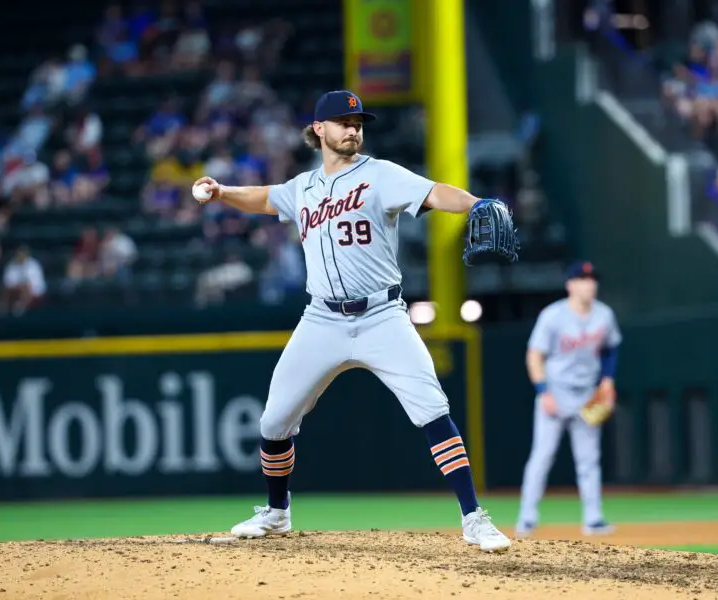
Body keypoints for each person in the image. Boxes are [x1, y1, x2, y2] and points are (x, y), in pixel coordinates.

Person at [192, 89, 511, 553]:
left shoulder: (380, 174)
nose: (354, 128)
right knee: (274, 420)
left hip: (383, 315)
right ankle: (277, 513)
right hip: (321, 318)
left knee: (432, 409)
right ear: (319, 130)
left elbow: (435, 191)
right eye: (343, 121)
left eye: (358, 121)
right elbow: (264, 198)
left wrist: (476, 202)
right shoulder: (302, 188)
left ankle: (474, 517)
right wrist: (223, 192)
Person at [515, 261, 621, 538]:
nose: (589, 284)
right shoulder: (553, 316)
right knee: (542, 456)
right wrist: (543, 392)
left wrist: (607, 381)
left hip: (587, 393)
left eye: (592, 278)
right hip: (556, 391)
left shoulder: (604, 315)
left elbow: (611, 348)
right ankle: (526, 518)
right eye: (583, 279)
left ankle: (593, 518)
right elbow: (534, 356)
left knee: (589, 459)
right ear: (570, 285)